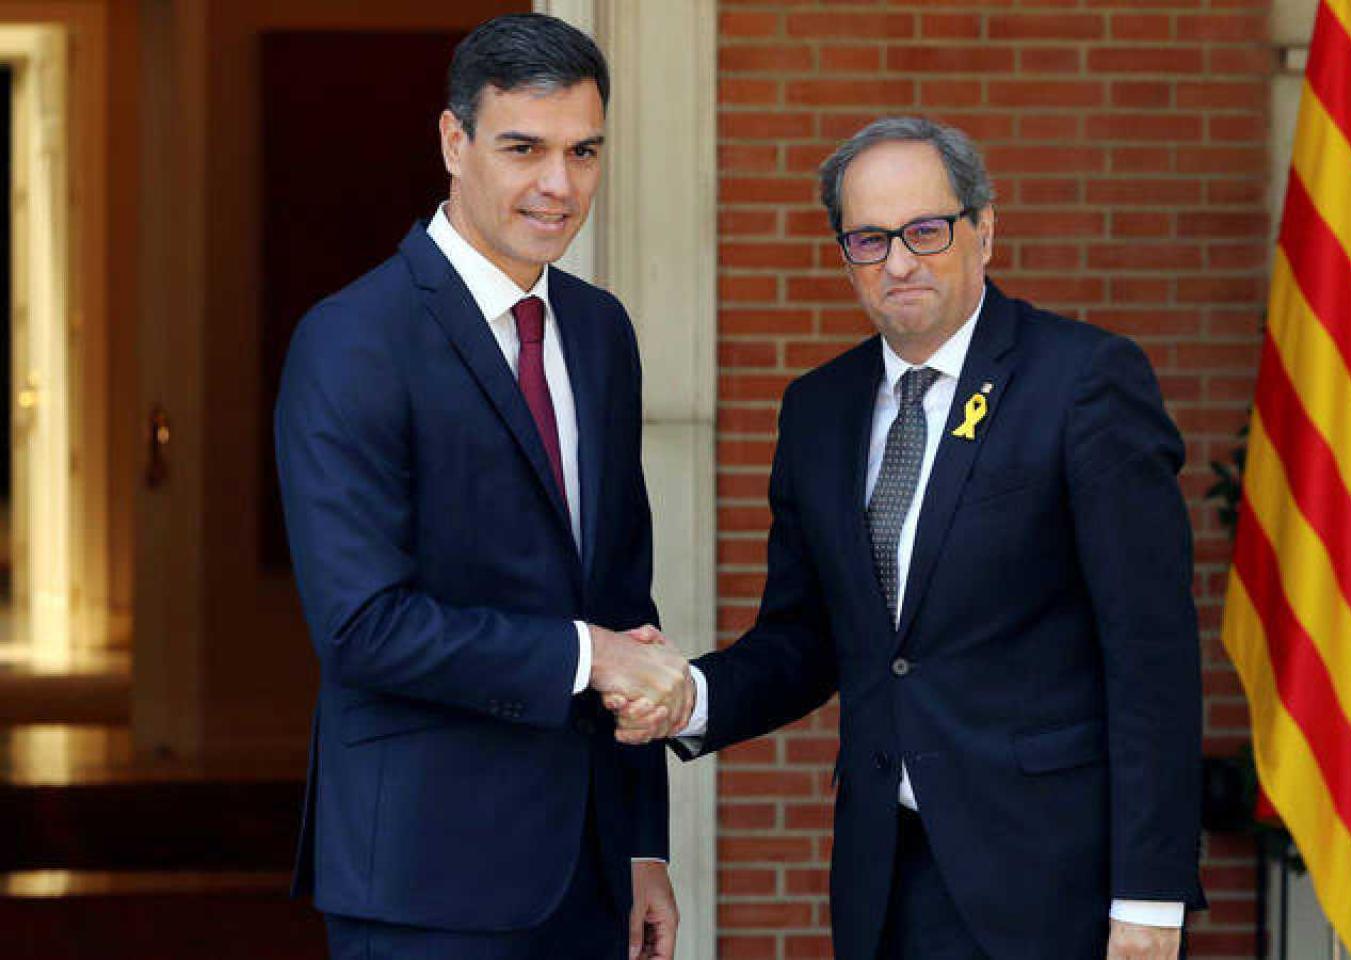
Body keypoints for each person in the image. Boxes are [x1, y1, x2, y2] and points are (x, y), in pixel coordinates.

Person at [615, 116, 1206, 960]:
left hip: (1053, 884)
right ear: (844, 253)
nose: (898, 261)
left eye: (925, 231)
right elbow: (807, 637)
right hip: (885, 878)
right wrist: (690, 696)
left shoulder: (1082, 382)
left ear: (984, 228)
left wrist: (1150, 900)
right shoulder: (818, 410)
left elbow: (1151, 656)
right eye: (869, 238)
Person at [274, 14, 693, 960]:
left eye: (584, 151)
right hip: (425, 877)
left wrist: (639, 848)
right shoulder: (353, 339)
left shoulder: (599, 332)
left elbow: (623, 602)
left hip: (588, 873)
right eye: (524, 148)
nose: (559, 184)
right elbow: (361, 626)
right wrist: (587, 658)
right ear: (454, 142)